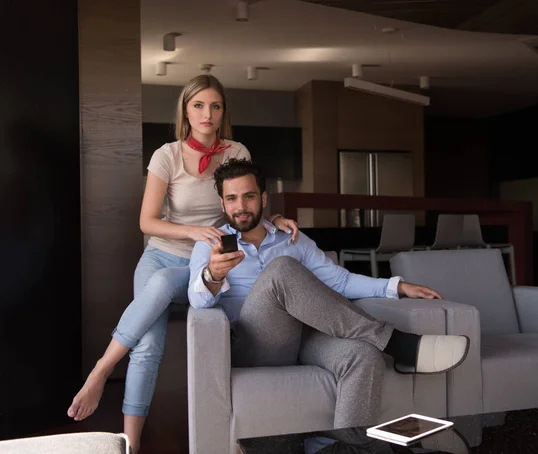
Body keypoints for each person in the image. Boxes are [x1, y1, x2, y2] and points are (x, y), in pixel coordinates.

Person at [66, 75, 298, 453]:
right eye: (198, 106)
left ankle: (105, 366)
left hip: (211, 262)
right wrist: (192, 231)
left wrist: (275, 222)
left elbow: (245, 205)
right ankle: (130, 441)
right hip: (162, 255)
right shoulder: (167, 155)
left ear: (224, 112)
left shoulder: (237, 151)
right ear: (186, 111)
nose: (207, 114)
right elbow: (147, 222)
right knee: (148, 345)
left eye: (216, 106)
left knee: (206, 314)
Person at [188, 158, 470, 429]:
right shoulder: (210, 245)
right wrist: (214, 274)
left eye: (248, 197)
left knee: (363, 356)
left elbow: (340, 281)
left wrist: (395, 286)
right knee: (282, 269)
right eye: (232, 198)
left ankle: (346, 446)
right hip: (254, 343)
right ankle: (396, 343)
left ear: (263, 199)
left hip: (303, 337)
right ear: (223, 204)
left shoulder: (292, 238)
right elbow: (198, 301)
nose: (241, 206)